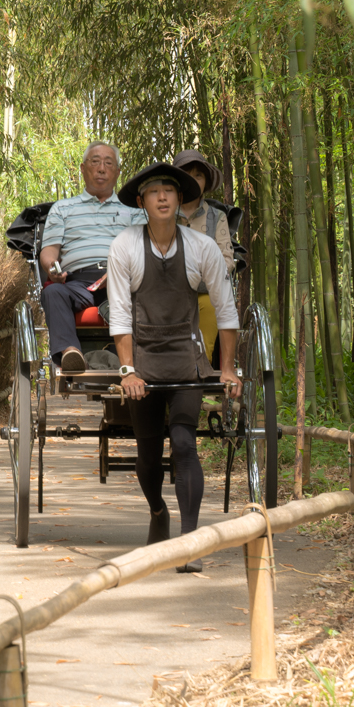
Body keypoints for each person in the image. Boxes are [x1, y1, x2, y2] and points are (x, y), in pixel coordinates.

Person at [106, 162, 240, 573]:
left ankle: (190, 542)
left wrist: (227, 369)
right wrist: (128, 371)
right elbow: (120, 314)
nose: (162, 197)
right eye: (154, 191)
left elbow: (226, 309)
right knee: (148, 453)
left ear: (180, 199)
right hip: (143, 359)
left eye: (169, 190)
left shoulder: (202, 247)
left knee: (184, 443)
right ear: (142, 202)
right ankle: (158, 511)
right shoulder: (125, 246)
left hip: (186, 358)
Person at [39, 143, 141, 374]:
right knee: (53, 292)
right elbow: (49, 251)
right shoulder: (63, 209)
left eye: (108, 163)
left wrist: (118, 272)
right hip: (77, 283)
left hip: (122, 278)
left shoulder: (134, 211)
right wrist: (52, 268)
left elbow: (142, 252)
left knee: (149, 292)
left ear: (118, 172)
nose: (101, 168)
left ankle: (141, 357)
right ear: (83, 169)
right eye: (95, 162)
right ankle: (71, 353)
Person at [174, 148, 234, 367]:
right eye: (186, 175)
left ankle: (201, 366)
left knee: (211, 305)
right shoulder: (163, 213)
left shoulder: (216, 217)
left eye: (198, 175)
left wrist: (201, 278)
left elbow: (227, 260)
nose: (192, 180)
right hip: (171, 290)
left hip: (206, 290)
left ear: (206, 182)